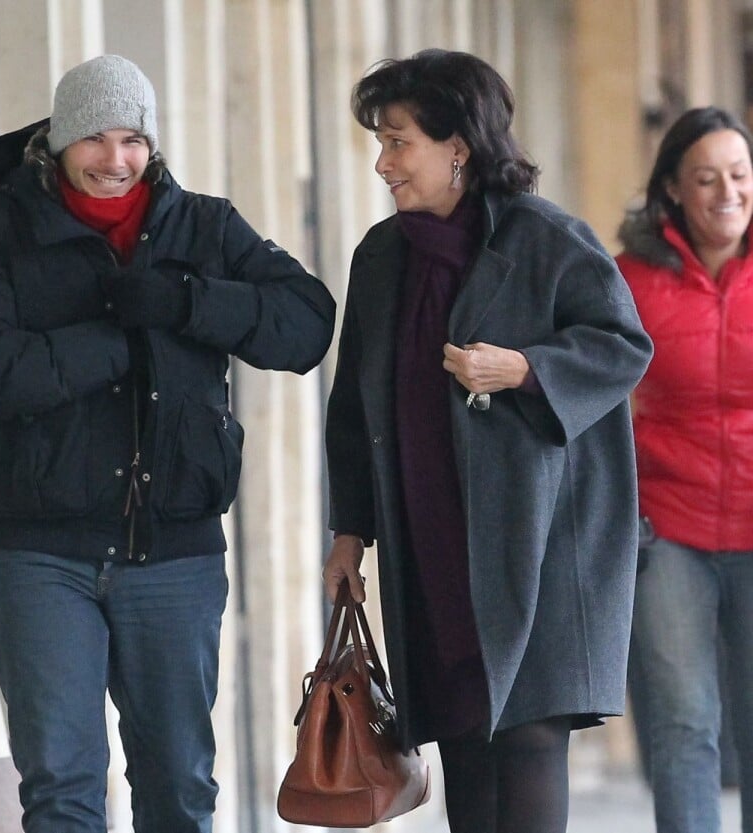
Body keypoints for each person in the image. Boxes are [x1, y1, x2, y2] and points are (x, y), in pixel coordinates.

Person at [0, 54, 335, 833]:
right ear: (56, 142)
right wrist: (114, 343)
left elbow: (307, 323)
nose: (114, 160)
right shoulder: (2, 230)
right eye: (93, 138)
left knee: (179, 783)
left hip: (175, 551)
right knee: (60, 784)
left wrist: (189, 301)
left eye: (132, 140)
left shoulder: (205, 227)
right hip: (42, 553)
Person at [322, 49, 653, 833]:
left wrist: (528, 368)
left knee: (529, 744)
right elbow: (352, 408)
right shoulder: (381, 258)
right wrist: (349, 529)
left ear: (458, 147)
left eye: (399, 141)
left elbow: (623, 345)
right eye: (381, 141)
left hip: (541, 550)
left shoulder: (546, 240)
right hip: (431, 548)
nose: (383, 163)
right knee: (467, 747)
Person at [617, 105, 753, 833]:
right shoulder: (631, 279)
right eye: (705, 178)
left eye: (738, 175)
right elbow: (589, 371)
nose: (726, 192)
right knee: (683, 722)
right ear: (672, 189)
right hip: (670, 529)